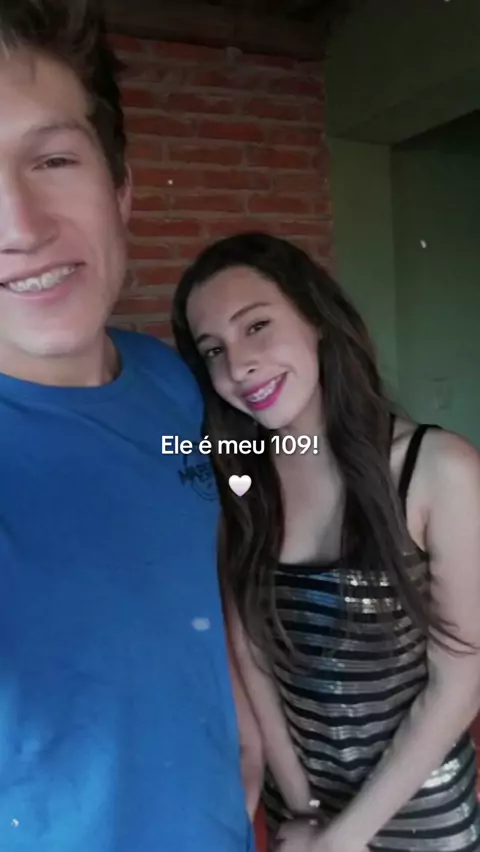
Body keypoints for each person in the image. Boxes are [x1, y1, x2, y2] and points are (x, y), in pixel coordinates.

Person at [0, 2, 255, 850]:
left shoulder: (174, 382)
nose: (20, 226)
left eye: (53, 159)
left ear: (121, 190)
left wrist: (236, 705)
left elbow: (197, 552)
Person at [171, 231, 480, 852]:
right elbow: (251, 651)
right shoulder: (239, 476)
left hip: (420, 817)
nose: (238, 366)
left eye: (256, 326)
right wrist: (303, 809)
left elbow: (461, 673)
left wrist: (342, 840)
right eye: (213, 350)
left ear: (315, 317)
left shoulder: (436, 469)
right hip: (300, 813)